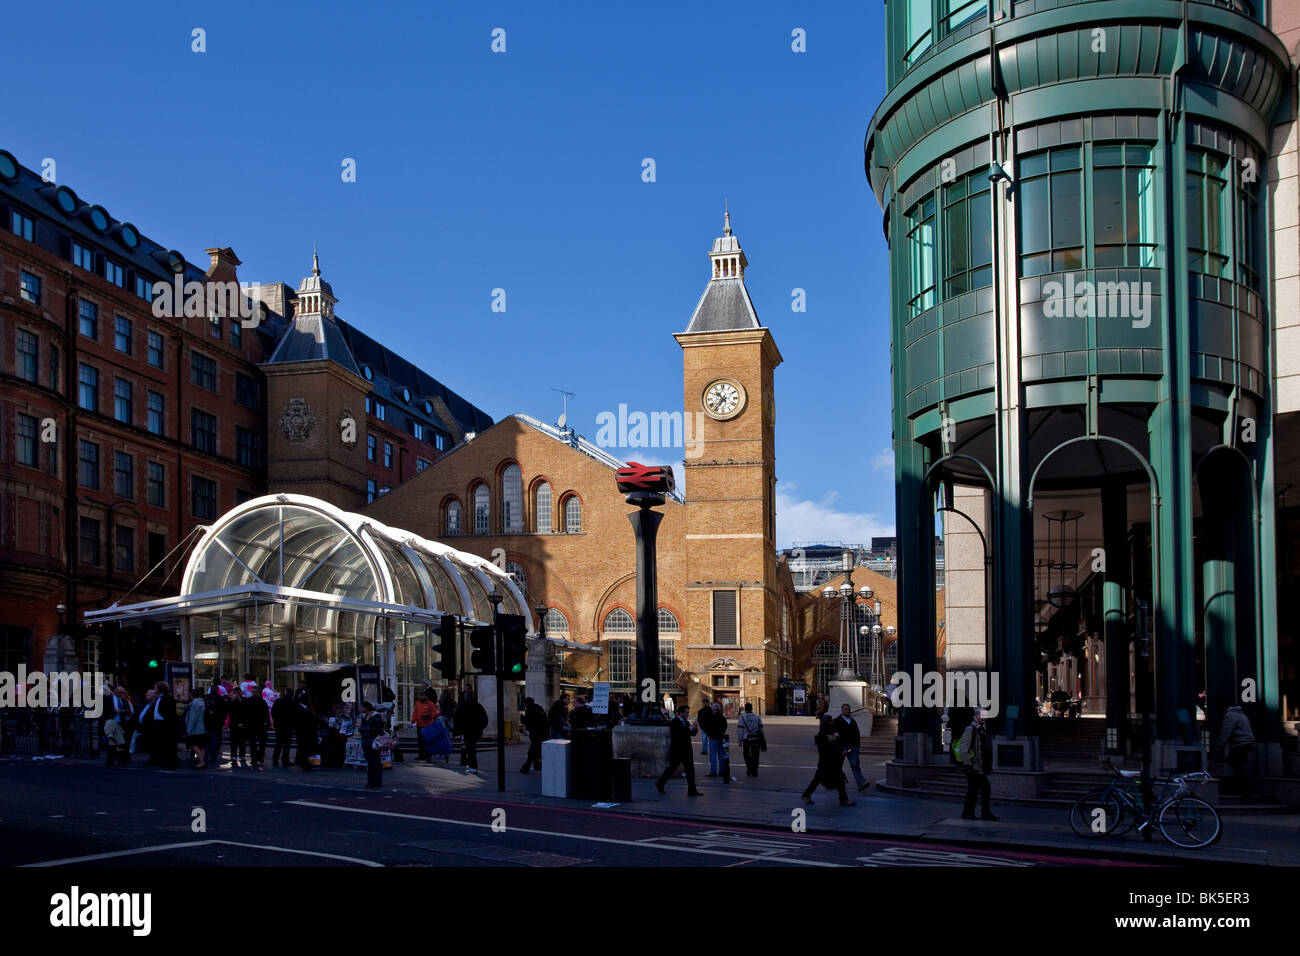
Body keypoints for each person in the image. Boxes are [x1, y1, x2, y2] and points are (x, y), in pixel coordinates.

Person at [801, 715, 854, 806]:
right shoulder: (823, 733)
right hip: (826, 762)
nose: (831, 722)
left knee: (836, 780)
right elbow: (829, 743)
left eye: (831, 720)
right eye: (829, 720)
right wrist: (834, 737)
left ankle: (806, 795)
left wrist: (841, 750)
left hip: (831, 761)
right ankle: (843, 799)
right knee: (829, 779)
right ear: (825, 722)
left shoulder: (830, 731)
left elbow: (835, 744)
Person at [955, 709, 997, 821]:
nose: (984, 718)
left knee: (974, 790)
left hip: (979, 767)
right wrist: (968, 764)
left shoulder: (982, 729)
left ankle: (968, 813)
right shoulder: (971, 729)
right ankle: (982, 813)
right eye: (982, 716)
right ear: (976, 716)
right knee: (984, 789)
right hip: (973, 767)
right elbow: (963, 749)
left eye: (986, 716)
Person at [655, 706, 702, 796]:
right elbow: (680, 734)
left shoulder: (686, 722)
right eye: (686, 713)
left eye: (688, 713)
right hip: (677, 750)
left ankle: (692, 789)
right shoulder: (674, 722)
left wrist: (695, 728)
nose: (688, 715)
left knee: (690, 770)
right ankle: (660, 783)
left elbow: (691, 733)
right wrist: (690, 729)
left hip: (687, 750)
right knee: (672, 768)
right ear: (680, 713)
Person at [1216, 699, 1255, 796]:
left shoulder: (1230, 715)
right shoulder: (1240, 714)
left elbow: (1226, 731)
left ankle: (1240, 789)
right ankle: (1242, 788)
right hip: (1246, 742)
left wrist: (1219, 745)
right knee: (1240, 766)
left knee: (1237, 765)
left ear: (1223, 707)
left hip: (1240, 743)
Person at [835, 703, 870, 792]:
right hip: (842, 747)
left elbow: (857, 734)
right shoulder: (837, 721)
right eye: (845, 709)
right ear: (842, 710)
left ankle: (861, 783)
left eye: (848, 709)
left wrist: (857, 746)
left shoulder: (853, 721)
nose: (847, 711)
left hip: (853, 747)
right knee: (837, 767)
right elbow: (833, 734)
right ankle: (832, 783)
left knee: (855, 765)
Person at [146, 682, 180, 769]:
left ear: (160, 688)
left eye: (156, 688)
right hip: (159, 723)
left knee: (168, 744)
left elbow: (169, 712)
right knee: (162, 743)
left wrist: (166, 720)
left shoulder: (168, 698)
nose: (155, 689)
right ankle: (162, 761)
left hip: (165, 724)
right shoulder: (159, 698)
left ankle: (171, 763)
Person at [453, 689, 488, 773]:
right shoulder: (477, 706)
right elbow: (484, 718)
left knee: (470, 748)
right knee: (470, 747)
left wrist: (458, 730)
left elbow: (457, 719)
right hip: (476, 730)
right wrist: (482, 727)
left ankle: (473, 766)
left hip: (468, 731)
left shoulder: (462, 706)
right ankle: (470, 764)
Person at [358, 700, 386, 788]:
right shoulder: (364, 716)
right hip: (365, 741)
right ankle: (370, 781)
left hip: (373, 741)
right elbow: (361, 728)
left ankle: (377, 781)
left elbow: (377, 729)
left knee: (375, 761)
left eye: (362, 707)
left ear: (366, 708)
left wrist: (367, 729)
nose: (360, 709)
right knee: (370, 762)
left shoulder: (376, 716)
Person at [520, 697, 550, 773]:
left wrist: (522, 717)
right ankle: (537, 764)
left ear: (527, 703)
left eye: (525, 704)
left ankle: (526, 766)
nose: (525, 705)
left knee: (533, 750)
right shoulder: (540, 708)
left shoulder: (529, 711)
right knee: (536, 749)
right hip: (543, 733)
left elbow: (527, 722)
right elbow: (545, 720)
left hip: (534, 733)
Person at [736, 702, 764, 777]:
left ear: (745, 709)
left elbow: (740, 730)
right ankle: (755, 770)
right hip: (756, 738)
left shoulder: (742, 717)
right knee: (756, 754)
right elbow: (761, 729)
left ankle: (749, 767)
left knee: (746, 754)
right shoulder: (757, 717)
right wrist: (762, 738)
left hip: (746, 738)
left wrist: (739, 741)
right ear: (752, 709)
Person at [271, 687, 296, 768]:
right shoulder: (292, 702)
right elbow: (294, 715)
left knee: (278, 743)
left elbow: (273, 712)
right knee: (287, 744)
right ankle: (285, 760)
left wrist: (276, 721)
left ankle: (275, 760)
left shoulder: (278, 701)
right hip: (288, 726)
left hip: (279, 725)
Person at [204, 682, 227, 767]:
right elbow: (224, 711)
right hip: (217, 722)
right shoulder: (220, 699)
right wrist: (222, 720)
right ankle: (213, 755)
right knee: (215, 738)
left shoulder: (207, 698)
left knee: (209, 739)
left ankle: (209, 755)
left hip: (209, 722)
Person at [411, 692, 439, 762]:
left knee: (427, 741)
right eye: (422, 696)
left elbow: (435, 713)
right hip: (419, 725)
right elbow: (415, 713)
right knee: (420, 741)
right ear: (420, 696)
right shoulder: (417, 704)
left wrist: (429, 715)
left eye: (424, 696)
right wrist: (413, 720)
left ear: (427, 696)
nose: (423, 697)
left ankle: (428, 755)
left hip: (428, 725)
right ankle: (421, 755)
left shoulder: (431, 704)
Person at [184, 692, 207, 768]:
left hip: (195, 728)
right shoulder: (203, 702)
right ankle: (201, 759)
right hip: (203, 727)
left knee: (193, 744)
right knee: (201, 745)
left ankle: (201, 761)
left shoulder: (194, 704)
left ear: (191, 696)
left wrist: (189, 729)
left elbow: (193, 718)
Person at [704, 702, 727, 776]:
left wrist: (708, 734)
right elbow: (725, 727)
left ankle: (713, 772)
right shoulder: (722, 718)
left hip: (713, 738)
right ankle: (722, 772)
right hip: (721, 738)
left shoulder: (710, 718)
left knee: (713, 756)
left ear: (713, 710)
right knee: (721, 756)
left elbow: (707, 727)